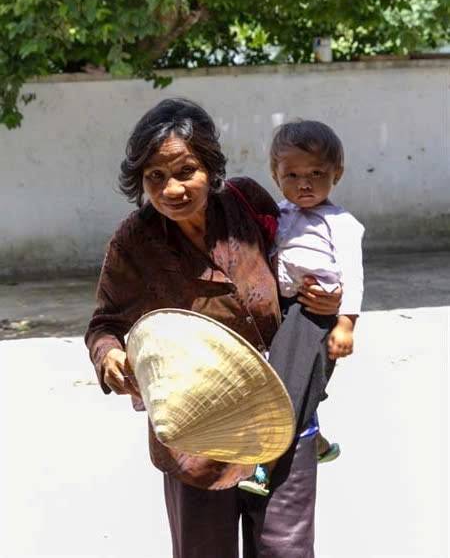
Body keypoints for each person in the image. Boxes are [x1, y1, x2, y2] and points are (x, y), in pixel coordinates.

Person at [85, 99, 341, 558]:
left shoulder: (248, 204)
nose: (172, 189)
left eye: (186, 171)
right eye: (155, 177)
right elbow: (105, 323)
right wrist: (110, 356)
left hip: (279, 419)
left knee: (286, 551)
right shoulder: (134, 242)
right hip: (197, 436)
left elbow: (298, 270)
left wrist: (329, 297)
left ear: (210, 166)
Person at [239, 120, 364, 497]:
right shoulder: (278, 215)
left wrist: (345, 323)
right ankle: (317, 441)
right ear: (276, 177)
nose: (304, 183)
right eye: (292, 175)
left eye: (316, 174)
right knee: (297, 379)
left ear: (337, 173)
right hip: (286, 305)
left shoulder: (341, 223)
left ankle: (265, 461)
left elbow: (354, 276)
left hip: (316, 311)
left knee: (287, 382)